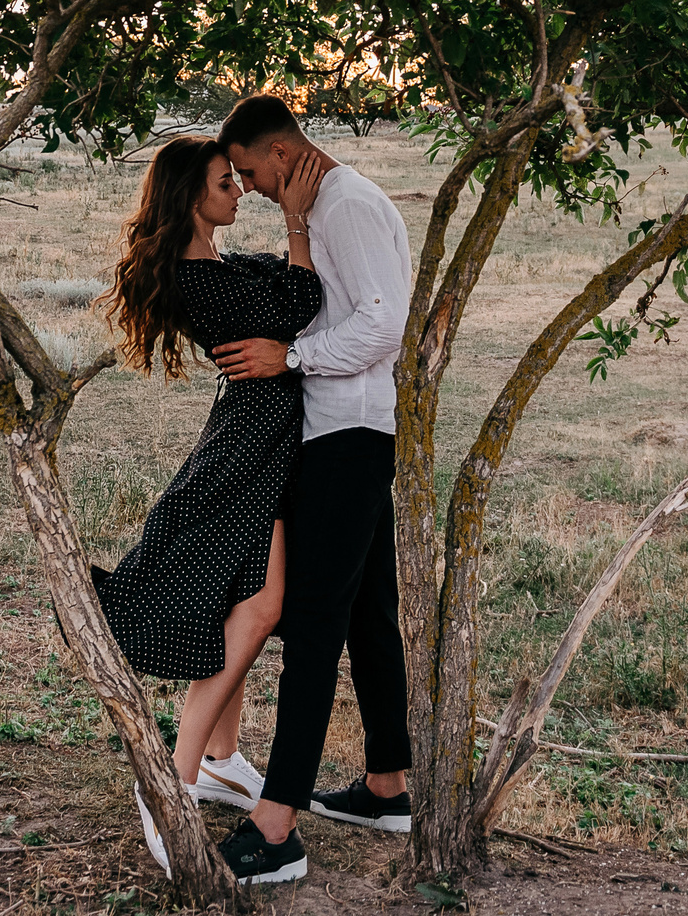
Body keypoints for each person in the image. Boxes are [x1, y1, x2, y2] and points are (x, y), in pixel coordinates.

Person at [94, 134, 329, 878]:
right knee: (260, 604)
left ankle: (223, 758)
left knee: (248, 597)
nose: (237, 190)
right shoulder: (200, 278)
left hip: (262, 444)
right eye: (225, 182)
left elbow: (275, 291)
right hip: (248, 451)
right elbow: (299, 298)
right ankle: (171, 778)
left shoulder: (215, 267)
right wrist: (296, 221)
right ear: (191, 196)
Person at [206, 94, 416, 886]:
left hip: (349, 435)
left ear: (284, 151)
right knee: (366, 612)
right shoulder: (320, 206)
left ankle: (277, 825)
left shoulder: (348, 205)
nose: (252, 186)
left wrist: (289, 357)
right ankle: (387, 784)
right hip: (344, 431)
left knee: (317, 623)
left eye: (254, 170)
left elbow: (382, 324)